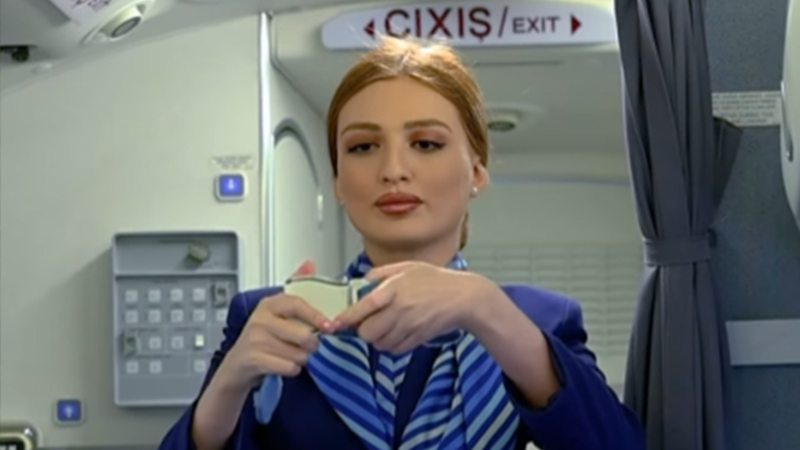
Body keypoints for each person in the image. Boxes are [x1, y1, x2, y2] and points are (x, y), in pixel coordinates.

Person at [158, 35, 645, 450]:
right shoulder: (269, 318)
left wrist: (485, 309)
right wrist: (228, 386)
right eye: (362, 147)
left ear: (476, 172)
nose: (392, 169)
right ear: (339, 181)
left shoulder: (534, 321)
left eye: (426, 144)